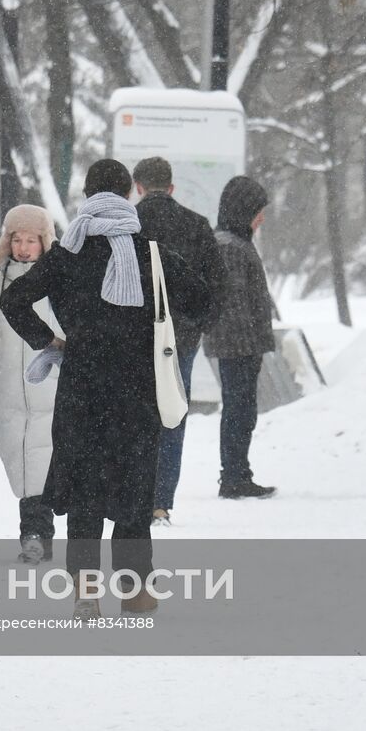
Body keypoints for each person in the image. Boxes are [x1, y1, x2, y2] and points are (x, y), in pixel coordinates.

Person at [0, 160, 207, 617]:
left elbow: (13, 299)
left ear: (87, 195)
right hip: (137, 389)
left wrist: (51, 340)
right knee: (136, 488)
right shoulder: (149, 252)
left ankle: (86, 592)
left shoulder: (67, 252)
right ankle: (134, 590)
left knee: (85, 491)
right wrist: (164, 330)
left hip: (82, 388)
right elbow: (201, 298)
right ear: (128, 194)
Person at [133, 156, 223, 524]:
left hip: (134, 338)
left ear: (138, 187)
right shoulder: (197, 225)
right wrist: (198, 325)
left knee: (134, 418)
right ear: (171, 188)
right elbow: (216, 285)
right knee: (172, 415)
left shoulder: (128, 224)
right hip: (180, 340)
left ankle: (133, 496)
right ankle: (161, 502)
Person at [0, 205, 61, 564]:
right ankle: (37, 532)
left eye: (32, 240)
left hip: (51, 387)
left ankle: (36, 534)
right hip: (7, 393)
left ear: (45, 243)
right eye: (17, 239)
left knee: (42, 462)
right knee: (19, 463)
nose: (24, 247)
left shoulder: (60, 285)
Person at [204, 176, 278, 499]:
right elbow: (233, 303)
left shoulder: (234, 242)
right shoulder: (230, 247)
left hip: (241, 344)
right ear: (243, 210)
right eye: (258, 211)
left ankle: (237, 473)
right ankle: (234, 476)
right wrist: (250, 345)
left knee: (241, 409)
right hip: (238, 346)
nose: (261, 217)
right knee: (239, 410)